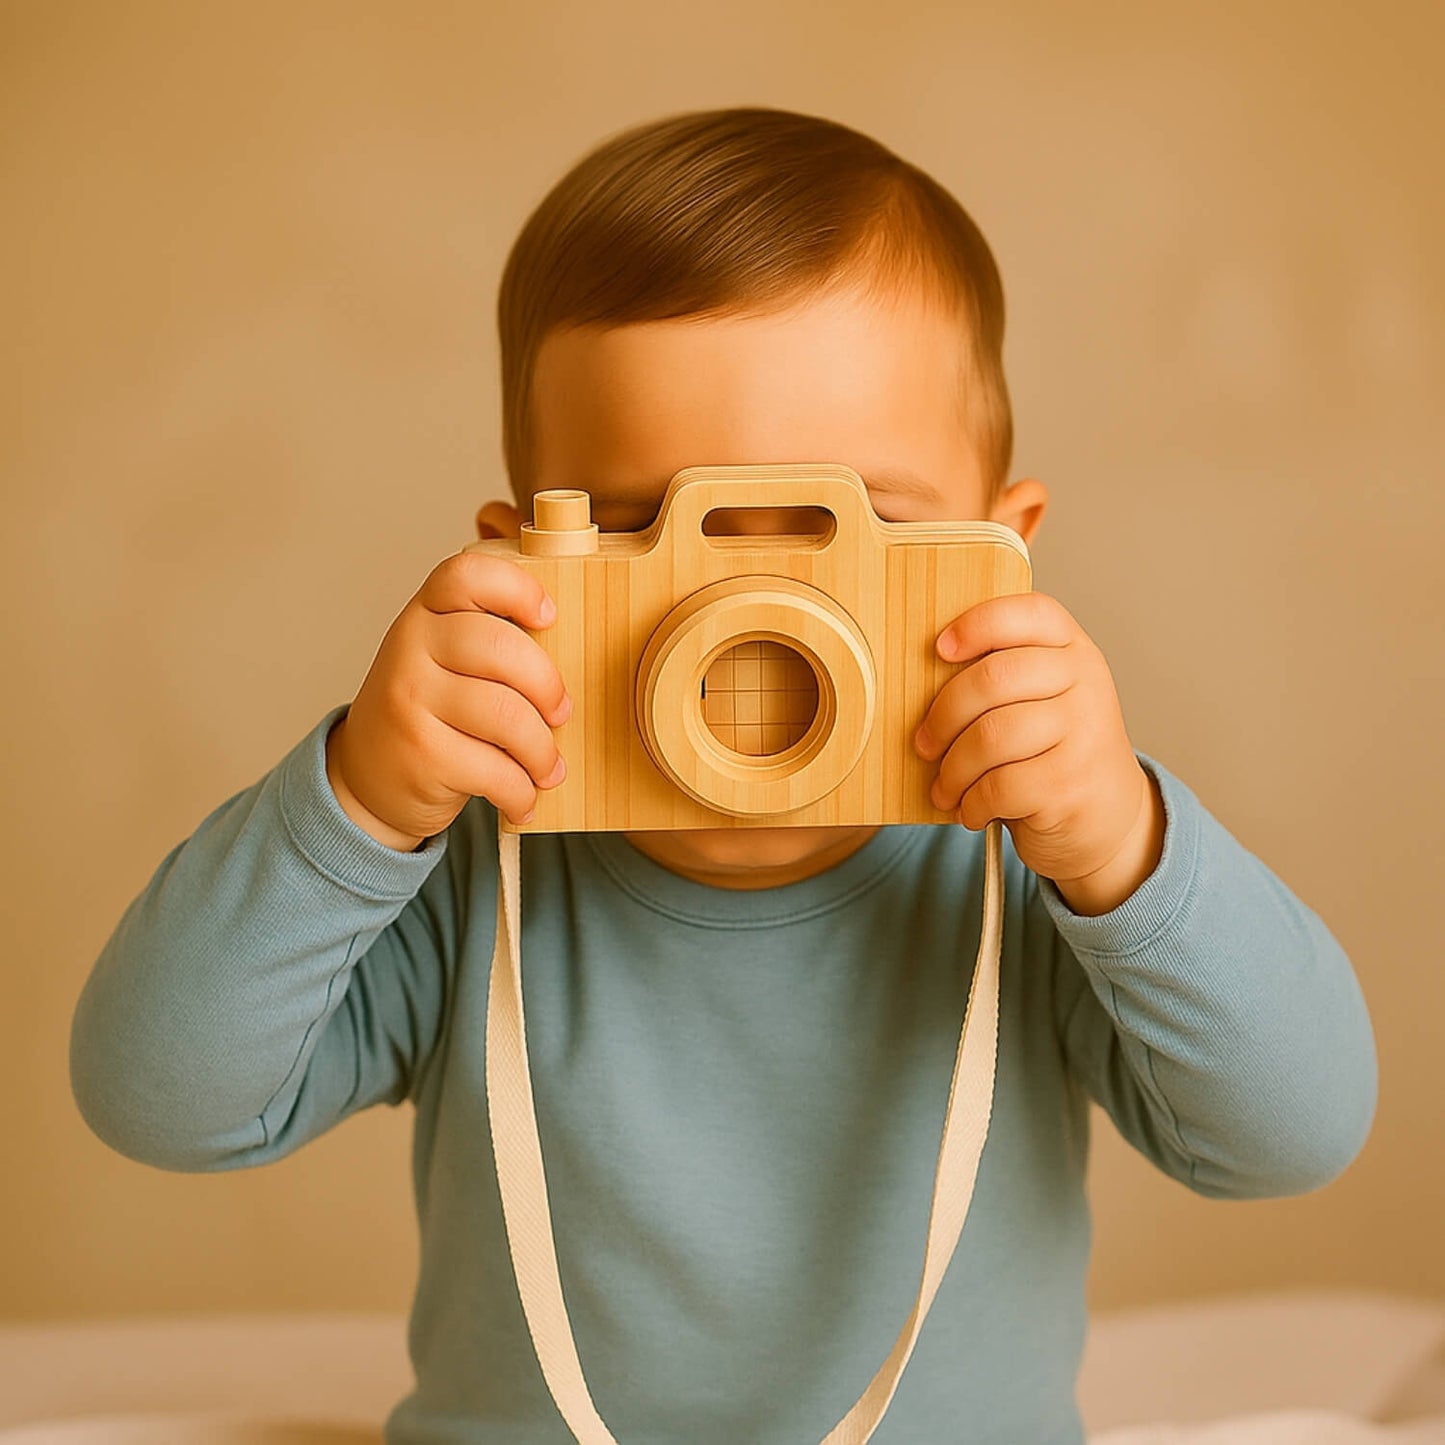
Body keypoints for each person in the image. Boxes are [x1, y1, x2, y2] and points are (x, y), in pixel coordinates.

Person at [70, 107, 1378, 1444]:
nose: (751, 612)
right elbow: (161, 1101)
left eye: (860, 521)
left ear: (999, 549)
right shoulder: (478, 856)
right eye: (644, 524)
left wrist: (1124, 845)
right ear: (517, 566)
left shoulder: (1019, 855)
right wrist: (354, 802)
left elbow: (1291, 1135)